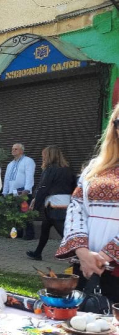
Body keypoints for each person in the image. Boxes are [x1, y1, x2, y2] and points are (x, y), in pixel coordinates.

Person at [56, 105, 119, 302]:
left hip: (110, 268)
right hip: (86, 267)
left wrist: (105, 256)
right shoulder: (96, 167)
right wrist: (83, 253)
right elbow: (76, 207)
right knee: (82, 326)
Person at [26, 146, 76, 261]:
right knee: (45, 228)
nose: (42, 157)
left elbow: (43, 188)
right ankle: (37, 253)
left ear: (49, 156)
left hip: (54, 205)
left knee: (63, 232)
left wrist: (35, 203)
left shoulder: (50, 170)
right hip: (64, 203)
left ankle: (77, 254)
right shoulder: (67, 169)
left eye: (44, 155)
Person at [2, 143, 36, 240]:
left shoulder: (28, 161)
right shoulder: (10, 164)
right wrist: (5, 192)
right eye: (12, 149)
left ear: (22, 150)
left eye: (16, 149)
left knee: (25, 213)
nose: (13, 150)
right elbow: (6, 179)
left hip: (23, 192)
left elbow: (29, 176)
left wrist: (27, 190)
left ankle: (29, 234)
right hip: (11, 192)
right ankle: (16, 234)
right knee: (13, 215)